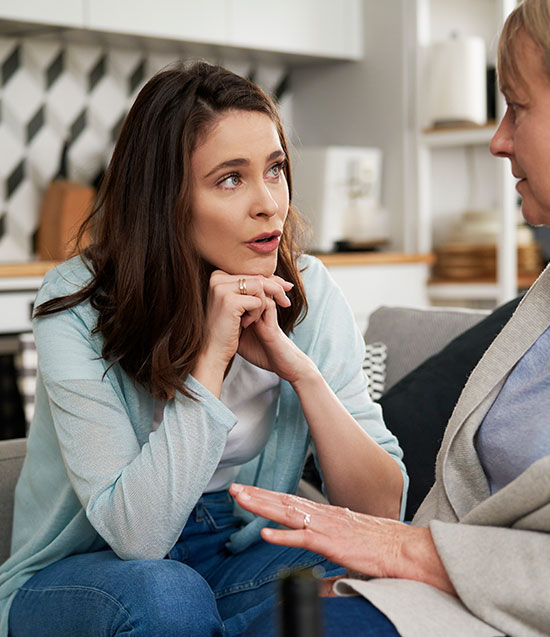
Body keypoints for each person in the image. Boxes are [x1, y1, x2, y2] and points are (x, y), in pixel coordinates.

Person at [227, 1, 550, 635]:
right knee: (277, 617)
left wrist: (401, 549)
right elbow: (460, 502)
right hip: (464, 603)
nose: (498, 139)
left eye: (517, 107)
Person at [0, 61, 407, 636]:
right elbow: (137, 536)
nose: (269, 203)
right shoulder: (77, 302)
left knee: (364, 571)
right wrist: (210, 361)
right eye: (230, 179)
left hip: (235, 547)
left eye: (275, 169)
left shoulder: (307, 291)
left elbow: (381, 515)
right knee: (167, 596)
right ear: (165, 200)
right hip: (89, 572)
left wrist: (304, 377)